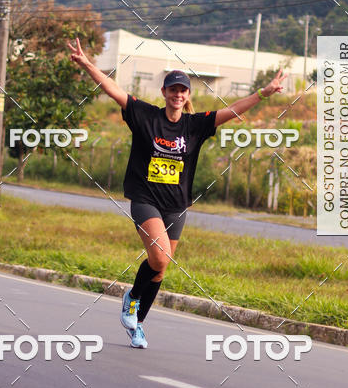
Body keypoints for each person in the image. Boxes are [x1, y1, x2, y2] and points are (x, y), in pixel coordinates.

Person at [67, 37, 287, 348]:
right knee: (159, 257)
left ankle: (137, 324)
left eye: (183, 90)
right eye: (173, 90)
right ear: (164, 93)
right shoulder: (146, 116)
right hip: (146, 199)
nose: (178, 95)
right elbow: (113, 89)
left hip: (176, 206)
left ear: (188, 95)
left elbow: (234, 110)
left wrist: (263, 93)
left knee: (160, 269)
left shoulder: (195, 125)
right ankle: (131, 298)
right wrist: (88, 64)